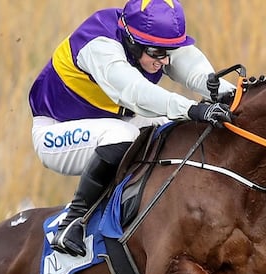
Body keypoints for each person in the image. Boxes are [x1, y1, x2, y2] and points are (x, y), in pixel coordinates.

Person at [30, 0, 235, 257]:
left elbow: (195, 71)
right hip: (57, 130)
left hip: (117, 120)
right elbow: (135, 93)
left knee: (177, 129)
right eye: (158, 53)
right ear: (132, 41)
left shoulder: (149, 42)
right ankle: (73, 220)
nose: (165, 60)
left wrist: (230, 94)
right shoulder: (99, 46)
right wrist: (193, 107)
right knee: (124, 136)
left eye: (170, 51)